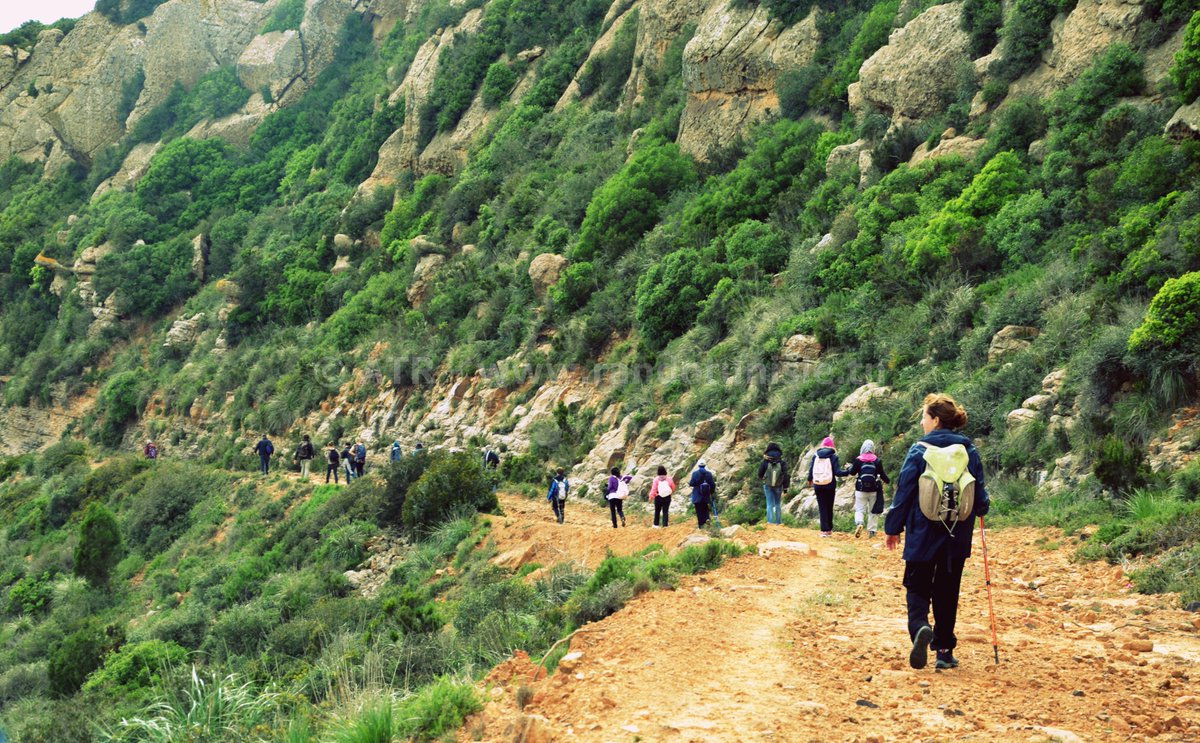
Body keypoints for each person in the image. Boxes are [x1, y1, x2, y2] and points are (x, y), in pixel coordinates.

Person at [885, 393, 989, 671]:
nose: (921, 422)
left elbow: (904, 492)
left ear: (935, 420)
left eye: (924, 417)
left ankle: (920, 627)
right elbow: (979, 494)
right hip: (956, 536)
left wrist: (892, 528)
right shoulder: (969, 451)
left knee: (917, 586)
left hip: (921, 534)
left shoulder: (919, 451)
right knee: (947, 591)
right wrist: (981, 508)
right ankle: (944, 651)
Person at [807, 436, 850, 537]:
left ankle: (824, 531)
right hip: (830, 484)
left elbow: (811, 470)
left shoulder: (815, 456)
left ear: (822, 446)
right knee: (829, 506)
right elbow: (838, 472)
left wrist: (810, 479)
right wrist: (848, 471)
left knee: (822, 507)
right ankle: (829, 529)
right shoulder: (833, 456)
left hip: (818, 484)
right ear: (832, 446)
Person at [845, 440, 890, 538]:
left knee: (859, 509)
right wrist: (888, 481)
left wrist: (849, 468)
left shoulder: (858, 460)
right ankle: (872, 531)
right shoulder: (877, 460)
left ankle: (859, 523)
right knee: (872, 511)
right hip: (874, 490)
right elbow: (882, 475)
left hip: (860, 489)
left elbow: (852, 472)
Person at [757, 442, 789, 525]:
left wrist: (762, 478)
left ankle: (770, 522)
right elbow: (786, 475)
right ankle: (778, 522)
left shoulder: (765, 461)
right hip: (778, 486)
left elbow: (760, 473)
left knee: (769, 504)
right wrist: (785, 488)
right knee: (777, 504)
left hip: (768, 485)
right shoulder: (782, 462)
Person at [689, 460, 716, 528]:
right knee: (705, 508)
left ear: (698, 465)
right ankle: (707, 520)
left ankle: (701, 525)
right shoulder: (709, 474)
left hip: (697, 495)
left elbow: (691, 483)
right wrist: (711, 492)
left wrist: (696, 484)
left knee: (699, 510)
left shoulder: (695, 473)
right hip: (706, 495)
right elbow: (712, 484)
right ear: (705, 465)